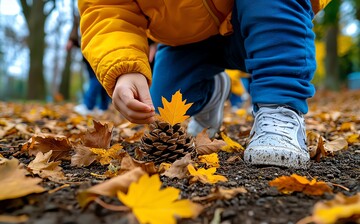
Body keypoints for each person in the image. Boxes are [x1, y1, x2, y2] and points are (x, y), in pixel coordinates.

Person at [77, 0, 331, 169]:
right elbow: (107, 10)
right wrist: (124, 67)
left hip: (265, 14)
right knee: (163, 103)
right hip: (185, 39)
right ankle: (211, 95)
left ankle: (280, 109)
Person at [66, 13, 111, 116]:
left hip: (101, 45)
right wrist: (71, 40)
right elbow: (77, 25)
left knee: (97, 78)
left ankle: (89, 105)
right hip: (88, 49)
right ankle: (103, 107)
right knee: (99, 78)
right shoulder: (81, 10)